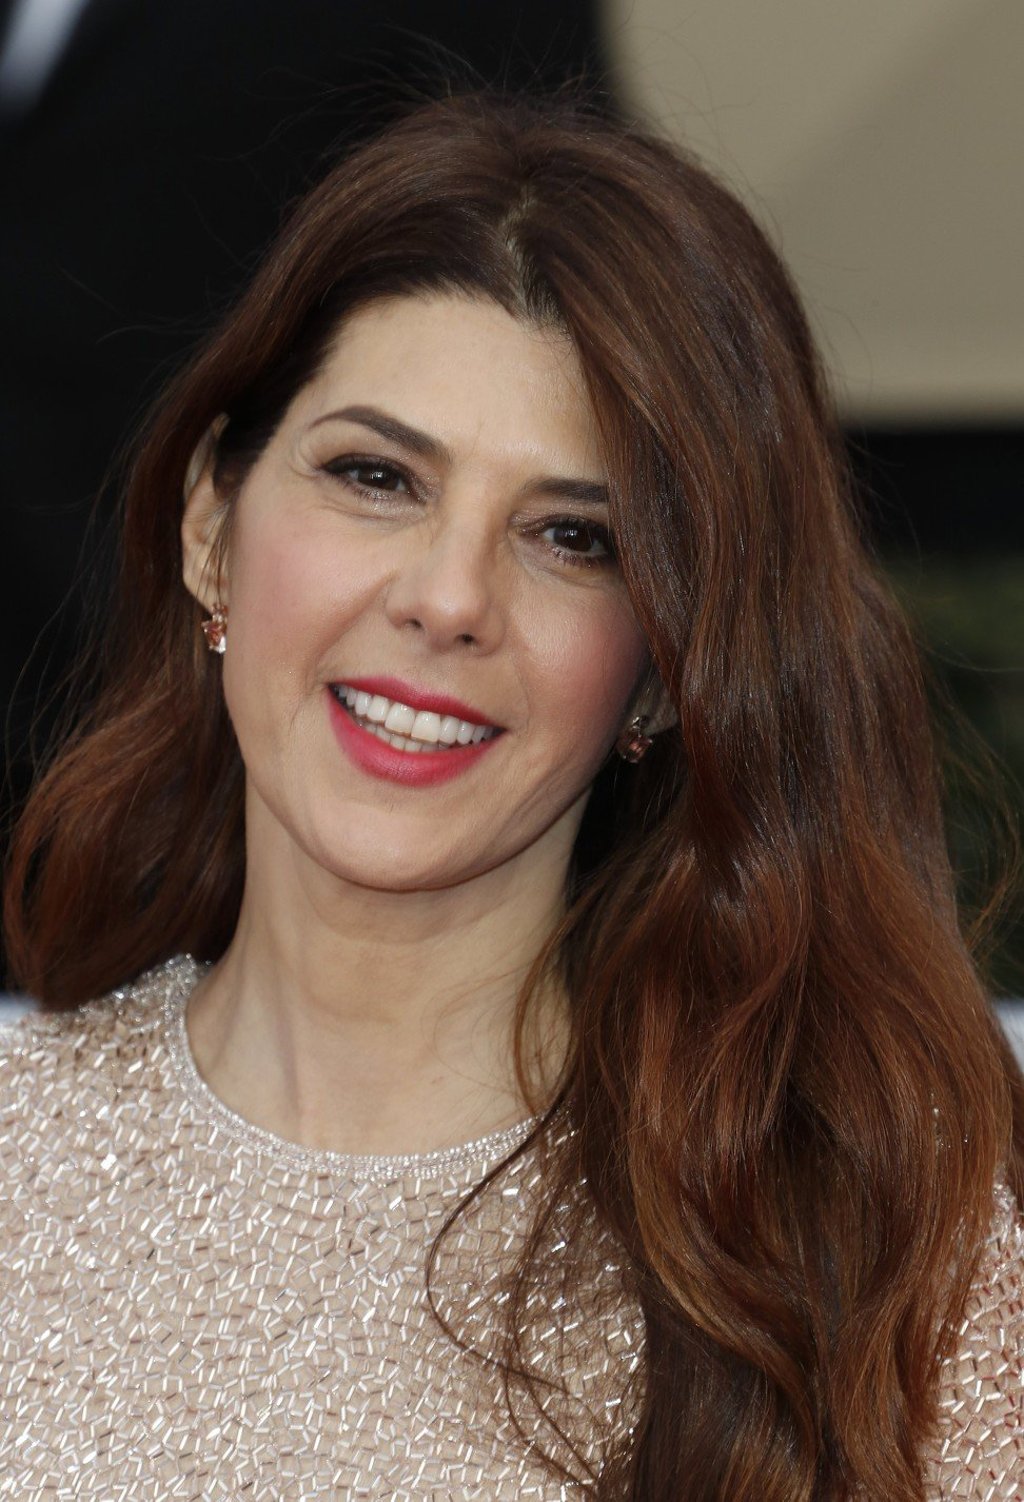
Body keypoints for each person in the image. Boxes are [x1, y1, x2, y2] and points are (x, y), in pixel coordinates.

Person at [1, 92, 1020, 1501]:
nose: (449, 597)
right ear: (208, 528)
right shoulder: (15, 1148)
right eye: (374, 475)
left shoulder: (865, 1253)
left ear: (665, 678)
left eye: (571, 538)